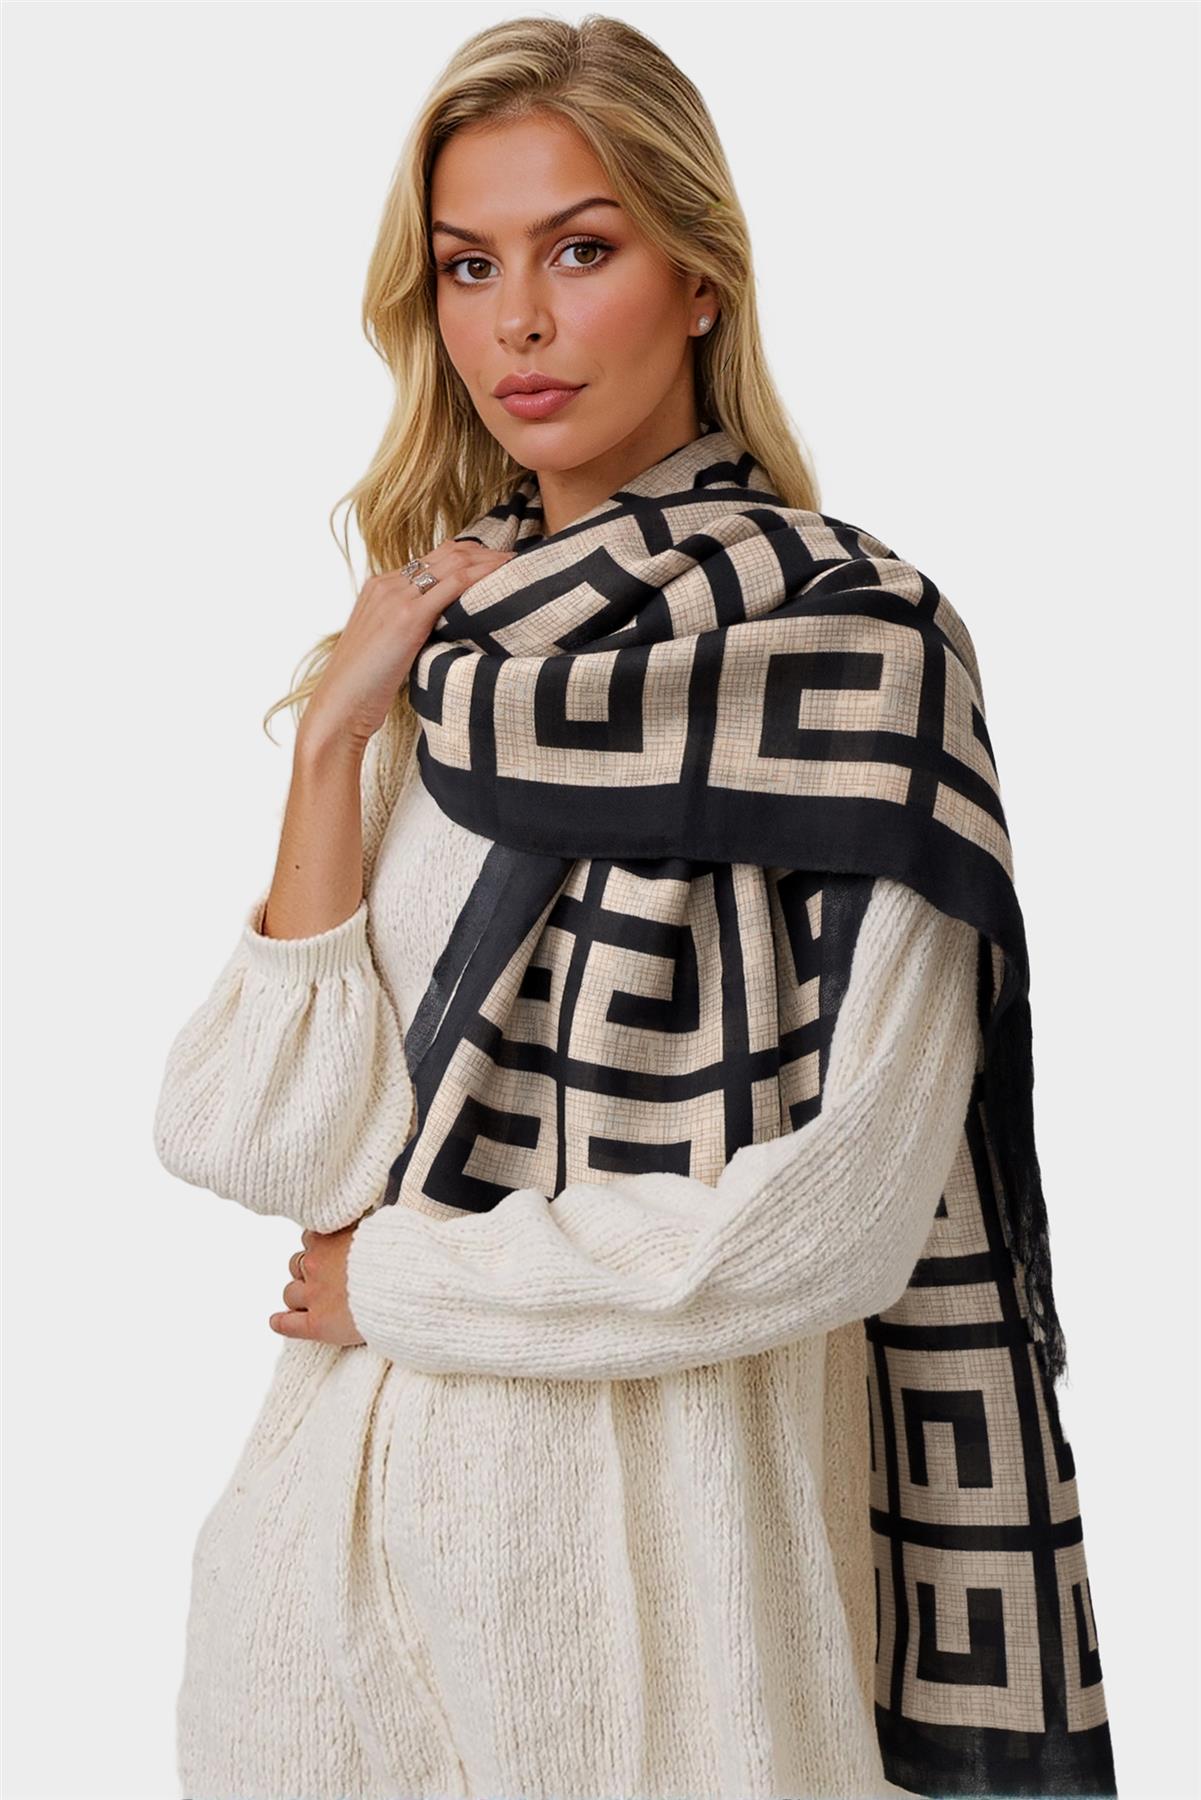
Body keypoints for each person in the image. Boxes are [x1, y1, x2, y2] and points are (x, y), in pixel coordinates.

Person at [152, 15, 1116, 1800]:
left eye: (579, 250)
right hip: (322, 1618)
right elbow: (266, 1141)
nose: (515, 321)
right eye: (468, 266)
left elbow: (840, 1217)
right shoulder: (437, 658)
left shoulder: (855, 652)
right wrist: (334, 739)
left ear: (698, 278)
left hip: (681, 1610)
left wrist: (409, 1277)